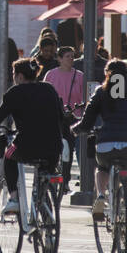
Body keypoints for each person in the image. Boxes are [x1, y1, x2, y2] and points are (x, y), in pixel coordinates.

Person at [73, 60, 127, 246]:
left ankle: (101, 195)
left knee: (102, 167)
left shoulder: (101, 92)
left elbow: (87, 122)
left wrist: (75, 129)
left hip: (106, 143)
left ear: (108, 74)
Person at [0, 58, 70, 217]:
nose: (14, 78)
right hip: (53, 146)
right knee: (46, 171)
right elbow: (61, 116)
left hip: (26, 146)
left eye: (14, 74)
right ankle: (46, 209)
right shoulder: (49, 89)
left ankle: (14, 199)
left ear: (20, 77)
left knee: (9, 156)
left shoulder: (15, 93)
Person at [43, 45, 85, 190]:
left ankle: (65, 181)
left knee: (70, 148)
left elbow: (84, 97)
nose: (71, 59)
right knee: (55, 148)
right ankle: (53, 176)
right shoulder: (51, 75)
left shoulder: (80, 76)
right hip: (55, 116)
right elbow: (45, 95)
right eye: (67, 56)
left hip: (73, 116)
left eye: (73, 56)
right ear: (59, 59)